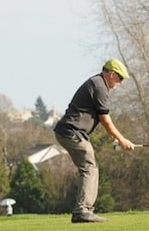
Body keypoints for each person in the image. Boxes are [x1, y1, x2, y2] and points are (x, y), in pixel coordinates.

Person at [54, 59, 136, 223]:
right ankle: (82, 211)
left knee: (89, 167)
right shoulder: (100, 87)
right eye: (120, 79)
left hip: (69, 132)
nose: (120, 84)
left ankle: (84, 210)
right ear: (112, 74)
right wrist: (122, 140)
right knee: (89, 167)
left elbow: (100, 119)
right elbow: (105, 119)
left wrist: (115, 137)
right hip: (72, 132)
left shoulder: (97, 83)